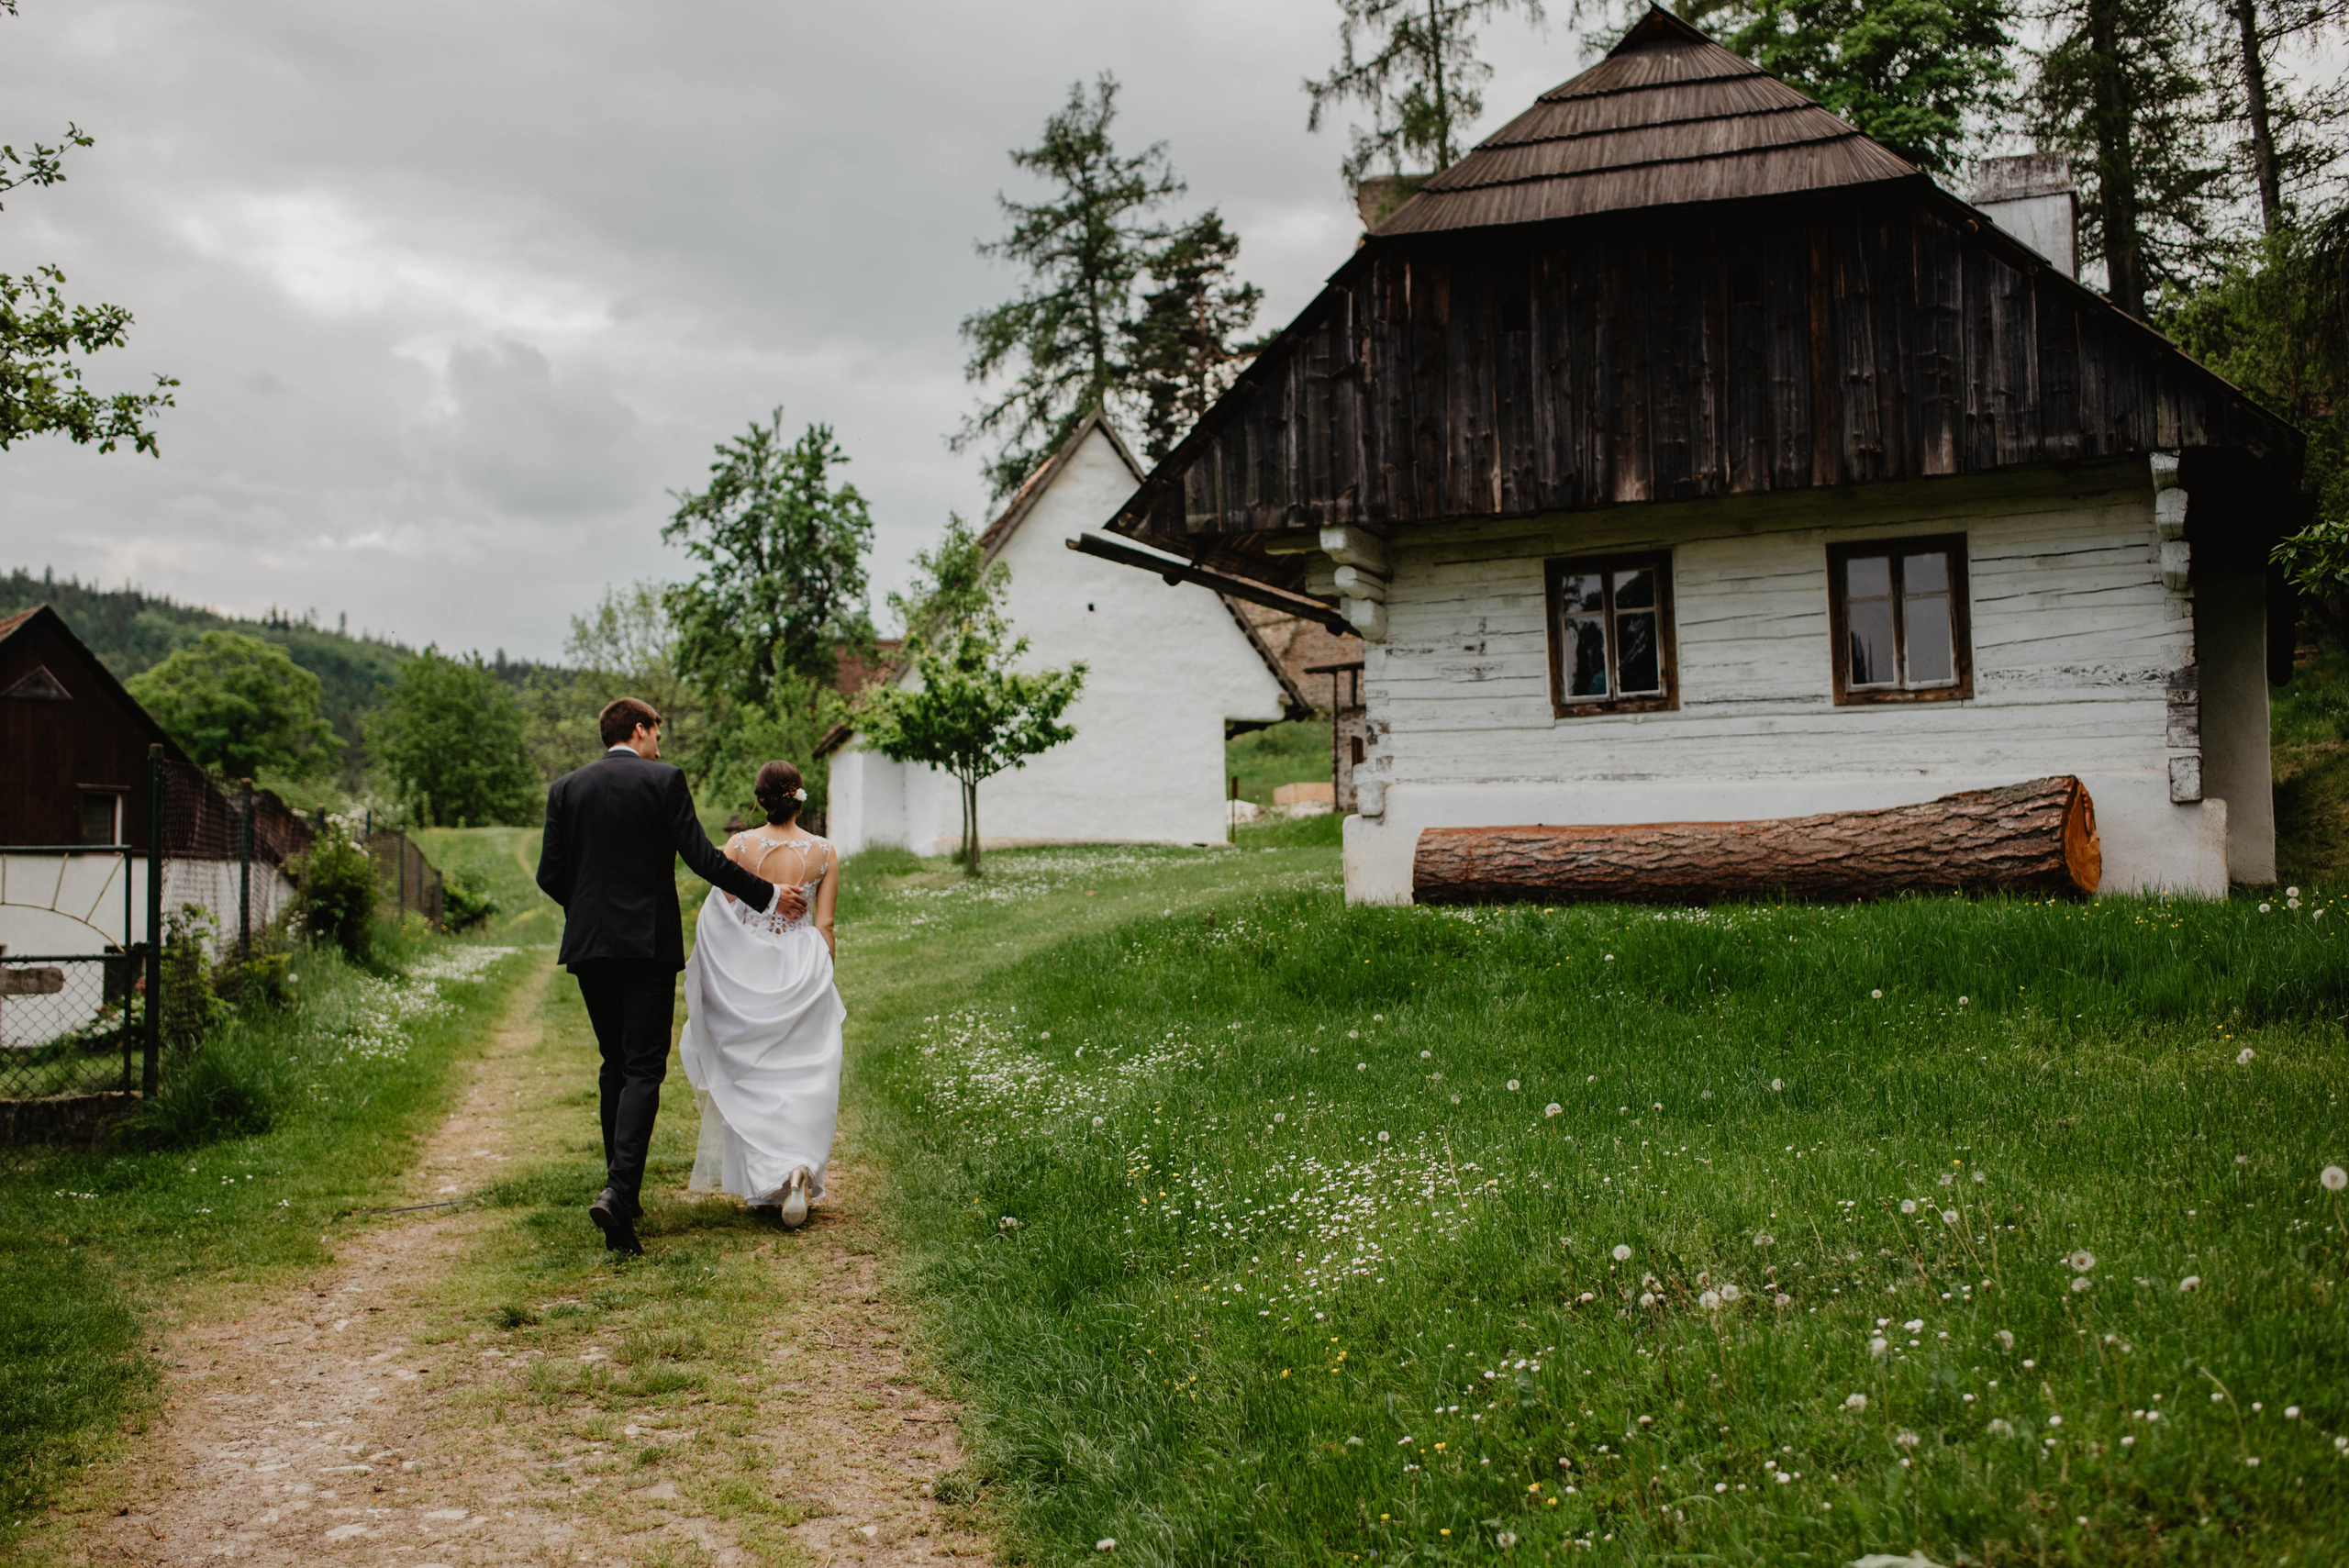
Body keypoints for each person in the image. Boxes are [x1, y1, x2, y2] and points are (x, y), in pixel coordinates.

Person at [535, 698, 806, 1254]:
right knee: (642, 1067)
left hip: (589, 947)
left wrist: (587, 912)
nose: (660, 744)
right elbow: (704, 858)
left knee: (615, 1063)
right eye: (657, 732)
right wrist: (769, 895)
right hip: (646, 946)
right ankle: (618, 1193)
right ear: (639, 729)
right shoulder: (663, 781)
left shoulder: (565, 788)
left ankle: (622, 1192)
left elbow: (549, 874)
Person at [678, 760, 842, 1229]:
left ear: (760, 799)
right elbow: (826, 924)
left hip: (750, 971)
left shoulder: (739, 846)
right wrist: (824, 973)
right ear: (799, 797)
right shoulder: (824, 851)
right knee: (805, 1071)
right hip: (804, 968)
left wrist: (718, 968)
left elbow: (719, 912)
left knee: (756, 1074)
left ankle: (772, 1170)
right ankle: (798, 1167)